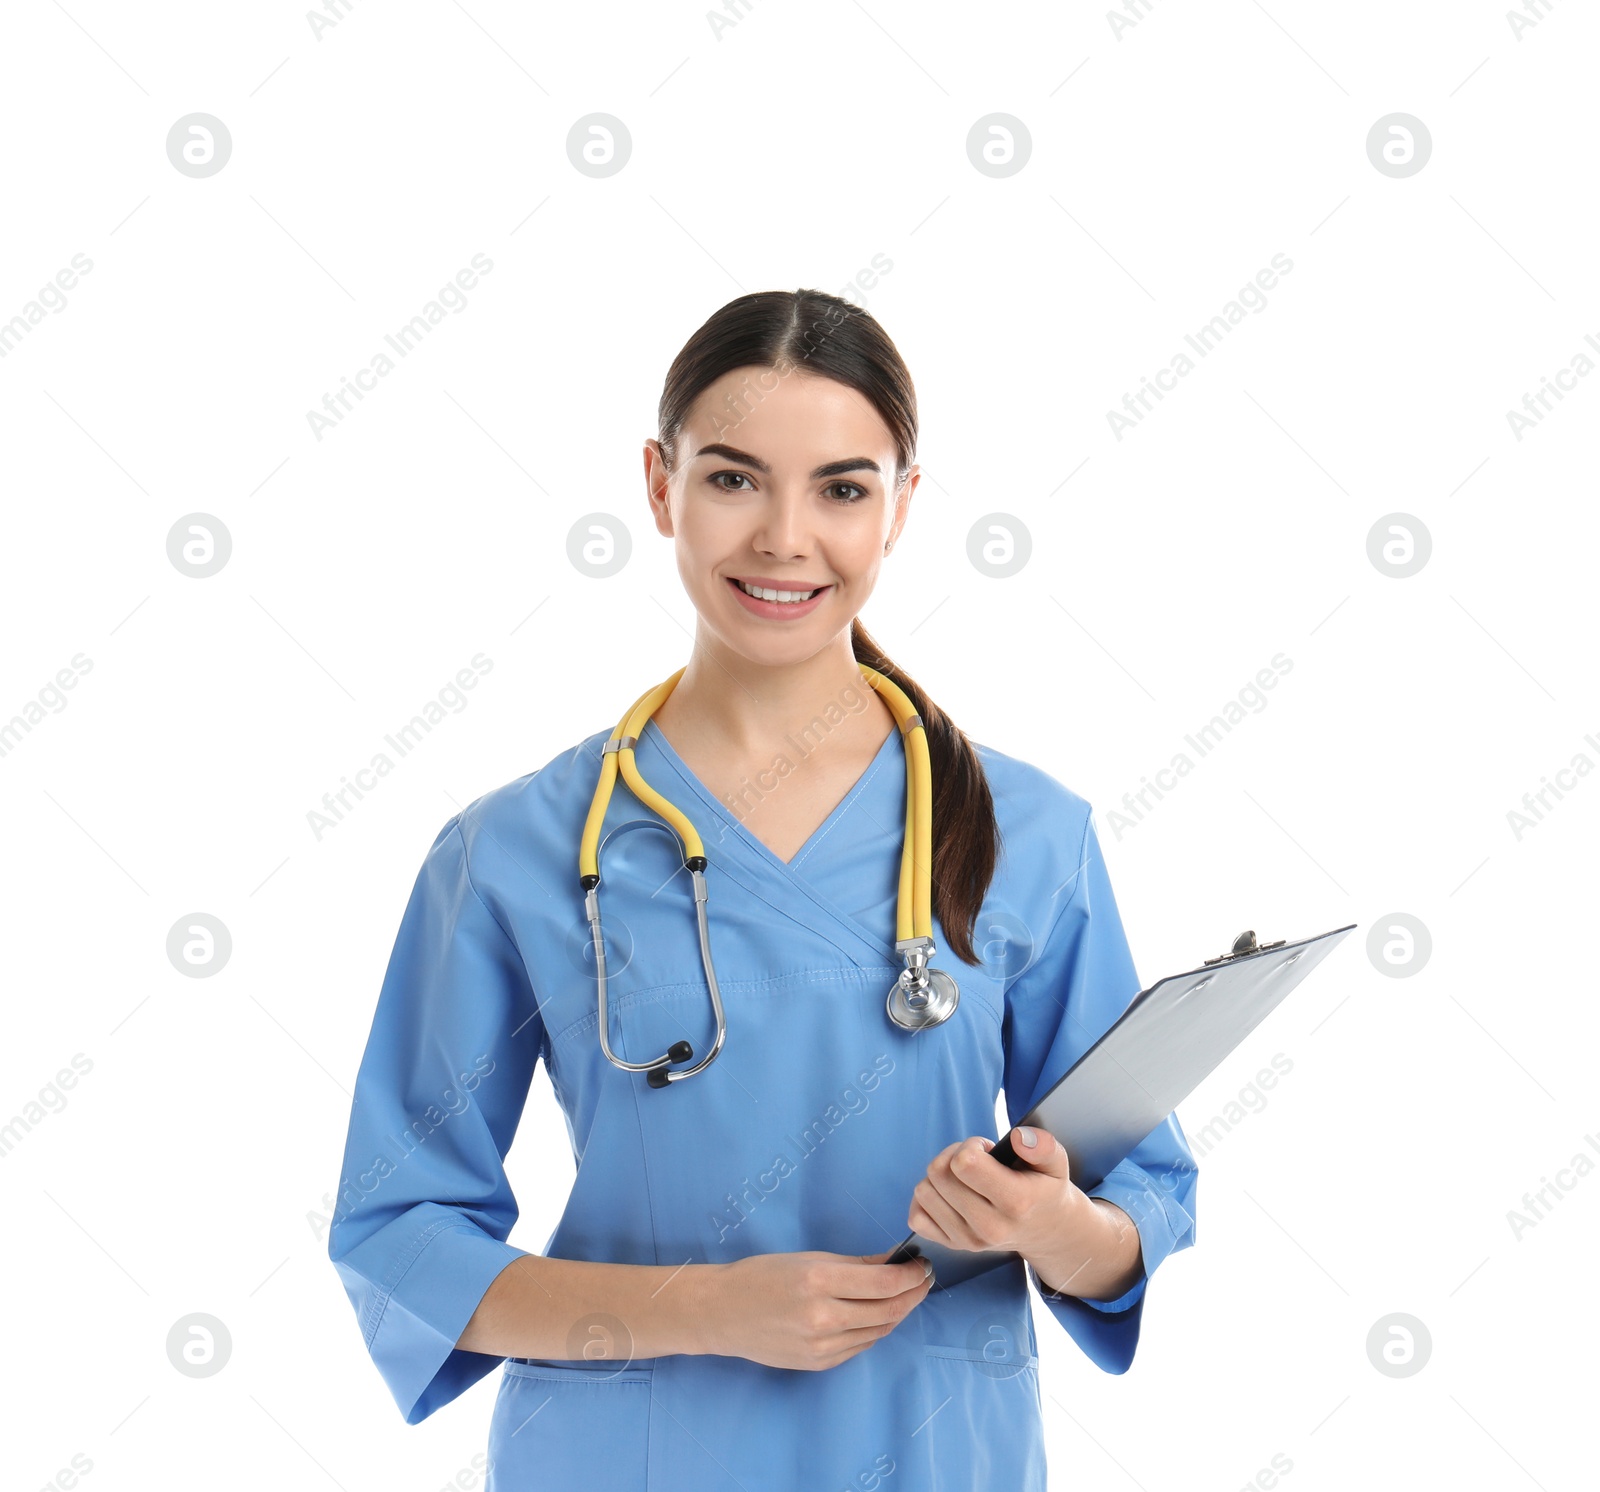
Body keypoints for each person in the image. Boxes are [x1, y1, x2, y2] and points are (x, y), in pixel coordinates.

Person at [327, 288, 1198, 1490]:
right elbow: (401, 1236)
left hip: (937, 1453)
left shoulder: (1024, 833)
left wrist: (1048, 1225)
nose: (785, 537)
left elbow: (1130, 1205)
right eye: (734, 479)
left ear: (900, 507)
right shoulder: (516, 848)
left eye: (841, 487)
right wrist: (705, 1308)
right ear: (656, 484)